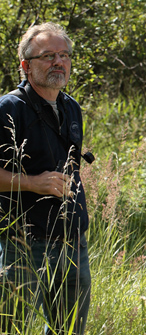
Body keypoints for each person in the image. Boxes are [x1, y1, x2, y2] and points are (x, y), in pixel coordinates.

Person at [0, 22, 92, 334]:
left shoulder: (71, 107)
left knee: (70, 330)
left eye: (65, 55)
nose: (59, 62)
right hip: (23, 246)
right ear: (25, 66)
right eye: (48, 55)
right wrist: (30, 182)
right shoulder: (8, 108)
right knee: (13, 328)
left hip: (73, 244)